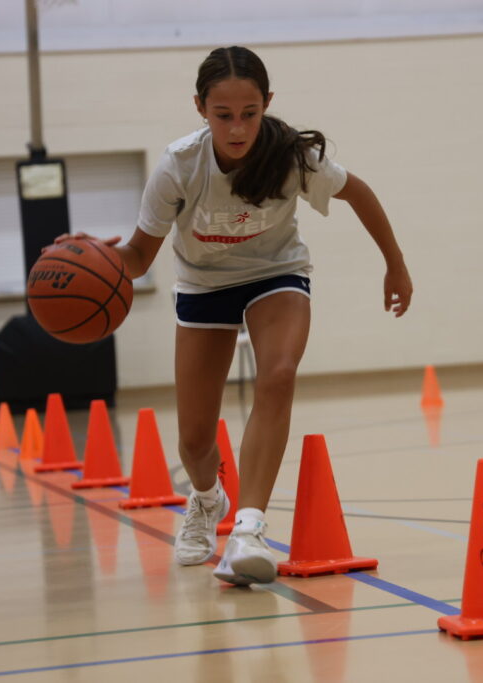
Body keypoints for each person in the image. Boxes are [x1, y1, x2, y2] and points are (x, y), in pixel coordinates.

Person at [51, 45, 412, 586]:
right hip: (203, 284)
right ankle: (205, 501)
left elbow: (357, 193)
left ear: (267, 103)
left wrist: (396, 266)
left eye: (249, 113)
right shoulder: (179, 165)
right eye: (224, 115)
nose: (238, 127)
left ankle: (249, 528)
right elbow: (139, 257)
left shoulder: (291, 156)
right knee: (196, 440)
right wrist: (92, 257)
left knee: (280, 375)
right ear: (200, 107)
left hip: (276, 273)